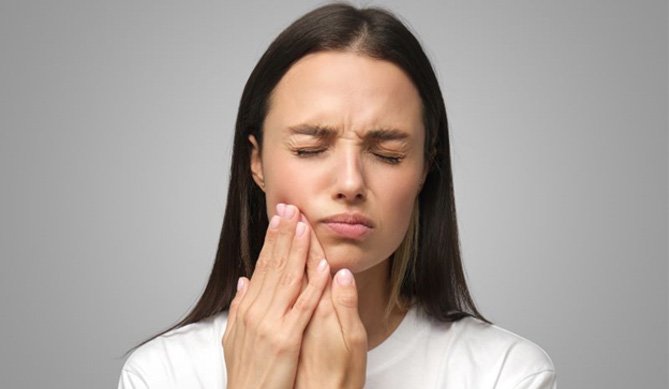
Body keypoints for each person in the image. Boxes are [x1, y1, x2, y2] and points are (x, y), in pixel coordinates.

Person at [118, 3, 557, 388]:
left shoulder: (505, 374)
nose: (350, 182)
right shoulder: (163, 374)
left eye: (387, 154)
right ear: (257, 163)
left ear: (425, 168)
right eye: (310, 149)